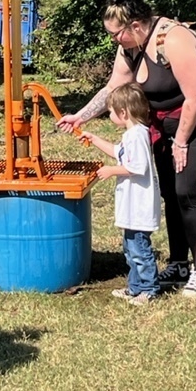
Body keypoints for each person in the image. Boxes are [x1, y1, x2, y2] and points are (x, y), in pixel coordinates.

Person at [58, 0, 196, 297]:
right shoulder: (129, 47)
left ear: (136, 26)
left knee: (187, 193)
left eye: (117, 35)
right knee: (168, 192)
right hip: (160, 129)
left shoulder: (174, 39)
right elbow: (114, 87)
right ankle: (179, 262)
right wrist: (82, 117)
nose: (114, 40)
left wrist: (181, 142)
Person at [78, 83, 161, 306]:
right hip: (131, 205)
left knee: (140, 249)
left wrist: (110, 171)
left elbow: (137, 167)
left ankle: (149, 289)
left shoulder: (137, 136)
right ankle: (135, 288)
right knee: (131, 248)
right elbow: (119, 152)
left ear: (123, 112)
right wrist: (94, 139)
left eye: (112, 111)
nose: (110, 115)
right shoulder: (131, 135)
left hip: (139, 205)